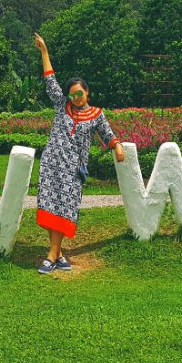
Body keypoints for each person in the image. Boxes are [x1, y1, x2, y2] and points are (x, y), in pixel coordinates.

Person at [32, 32, 124, 275]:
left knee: (65, 208)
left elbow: (108, 134)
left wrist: (117, 145)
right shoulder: (62, 106)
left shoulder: (96, 114)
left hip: (74, 170)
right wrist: (44, 52)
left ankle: (52, 255)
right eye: (71, 94)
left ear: (87, 93)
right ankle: (56, 254)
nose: (75, 98)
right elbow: (50, 80)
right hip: (52, 163)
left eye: (79, 94)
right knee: (50, 206)